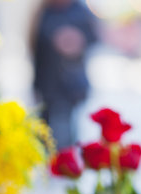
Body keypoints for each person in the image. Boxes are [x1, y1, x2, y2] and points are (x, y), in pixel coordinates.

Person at [31, 0, 98, 149]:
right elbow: (36, 51)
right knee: (45, 136)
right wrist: (35, 86)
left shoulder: (79, 10)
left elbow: (94, 36)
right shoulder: (44, 12)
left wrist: (76, 40)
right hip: (48, 86)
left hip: (70, 87)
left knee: (66, 136)